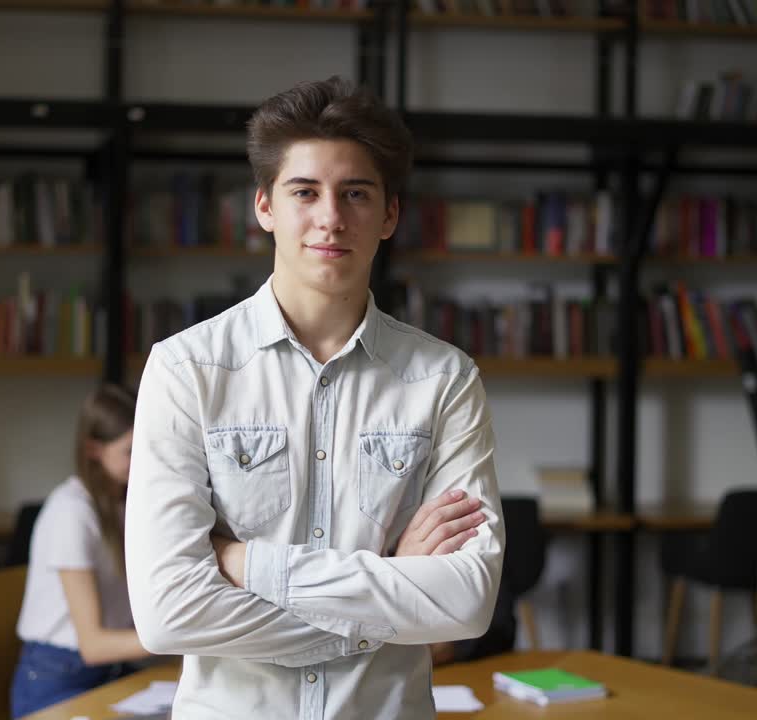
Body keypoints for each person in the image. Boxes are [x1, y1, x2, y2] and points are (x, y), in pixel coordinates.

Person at [125, 76, 505, 719]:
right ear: (265, 207)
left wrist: (247, 565)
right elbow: (167, 615)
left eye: (356, 193)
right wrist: (384, 594)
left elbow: (464, 603)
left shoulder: (444, 379)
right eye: (305, 191)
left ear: (389, 215)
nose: (330, 216)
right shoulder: (186, 370)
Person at [10, 384, 152, 718]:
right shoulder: (71, 513)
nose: (144, 459)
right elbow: (93, 645)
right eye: (130, 450)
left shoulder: (124, 505)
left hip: (109, 671)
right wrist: (178, 639)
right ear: (93, 449)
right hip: (56, 679)